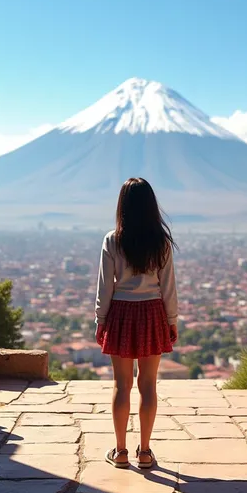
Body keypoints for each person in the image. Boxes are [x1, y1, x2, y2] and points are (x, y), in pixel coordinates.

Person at [95, 177, 178, 469]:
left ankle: (120, 452)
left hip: (120, 313)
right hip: (153, 313)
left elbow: (105, 286)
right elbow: (168, 286)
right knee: (148, 385)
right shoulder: (161, 242)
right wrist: (171, 320)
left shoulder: (112, 240)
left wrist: (100, 320)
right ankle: (145, 451)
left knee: (122, 384)